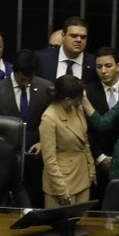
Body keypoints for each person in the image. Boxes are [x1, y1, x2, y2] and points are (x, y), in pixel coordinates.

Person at [38, 75, 94, 208]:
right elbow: (49, 159)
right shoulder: (49, 118)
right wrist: (60, 189)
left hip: (82, 176)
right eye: (80, 97)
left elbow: (84, 141)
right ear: (68, 99)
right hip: (62, 180)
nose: (82, 101)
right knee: (61, 225)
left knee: (82, 225)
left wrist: (91, 170)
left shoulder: (77, 108)